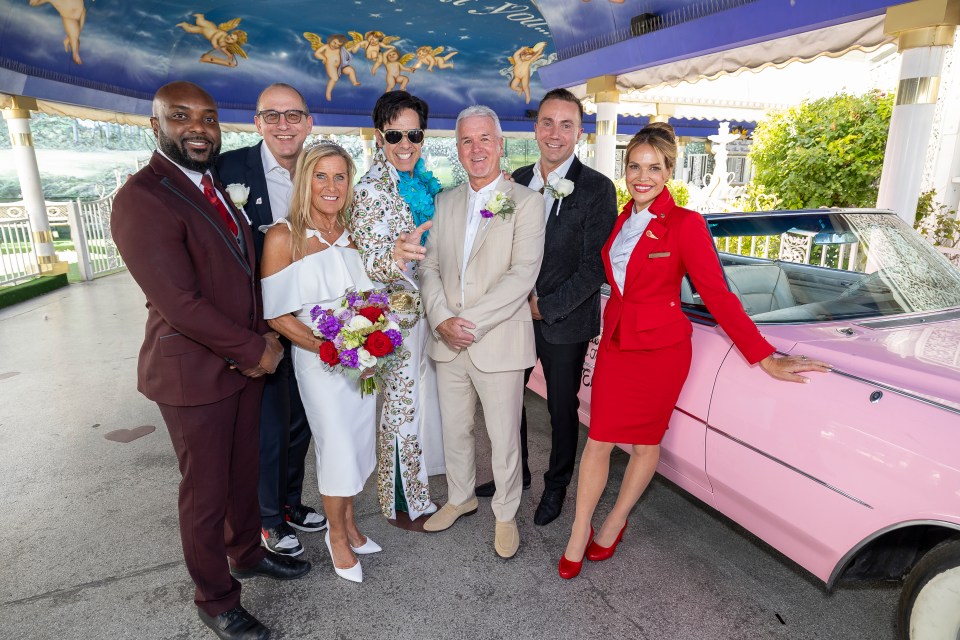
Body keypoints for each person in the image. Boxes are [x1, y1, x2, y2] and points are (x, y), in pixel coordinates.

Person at [557, 123, 831, 580]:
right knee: (599, 441)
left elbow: (718, 295)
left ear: (669, 171)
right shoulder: (622, 220)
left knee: (645, 445)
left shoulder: (685, 225)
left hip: (662, 353)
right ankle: (578, 530)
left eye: (654, 168)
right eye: (635, 166)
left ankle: (615, 520)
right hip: (618, 345)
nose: (643, 176)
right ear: (625, 169)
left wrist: (763, 355)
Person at [111, 81, 310, 640]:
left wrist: (260, 344)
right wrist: (258, 349)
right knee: (205, 495)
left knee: (243, 475)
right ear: (156, 126)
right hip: (194, 375)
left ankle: (246, 552)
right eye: (181, 117)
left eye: (208, 118)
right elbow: (179, 303)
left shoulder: (212, 186)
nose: (198, 127)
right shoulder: (142, 198)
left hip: (243, 368)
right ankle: (216, 598)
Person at [475, 89, 617, 527]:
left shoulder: (597, 188)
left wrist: (546, 307)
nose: (556, 134)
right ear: (536, 129)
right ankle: (514, 478)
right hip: (513, 315)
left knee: (561, 408)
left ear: (579, 132)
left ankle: (556, 486)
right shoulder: (514, 179)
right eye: (548, 123)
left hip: (564, 319)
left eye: (567, 125)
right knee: (507, 400)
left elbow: (596, 266)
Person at [419, 105, 545, 558]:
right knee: (455, 429)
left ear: (501, 144)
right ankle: (460, 496)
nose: (476, 149)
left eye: (484, 139)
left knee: (504, 436)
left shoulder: (526, 201)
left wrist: (466, 324)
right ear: (457, 149)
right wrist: (440, 321)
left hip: (497, 341)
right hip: (446, 340)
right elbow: (430, 267)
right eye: (467, 141)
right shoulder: (445, 201)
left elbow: (522, 274)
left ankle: (506, 513)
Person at [259, 141, 381, 584]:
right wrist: (328, 348)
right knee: (338, 450)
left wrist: (369, 346)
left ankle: (349, 522)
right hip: (319, 363)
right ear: (304, 180)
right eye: (321, 176)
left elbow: (369, 300)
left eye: (340, 176)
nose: (332, 186)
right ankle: (336, 537)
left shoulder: (352, 233)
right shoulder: (283, 236)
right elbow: (275, 313)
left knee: (358, 442)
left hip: (360, 362)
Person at [217, 83, 328, 559]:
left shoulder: (320, 170)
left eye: (293, 115)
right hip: (256, 324)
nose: (284, 124)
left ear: (309, 122)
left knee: (300, 421)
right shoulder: (227, 170)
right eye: (272, 115)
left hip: (309, 319)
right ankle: (265, 519)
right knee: (266, 426)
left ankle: (288, 502)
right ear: (256, 122)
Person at [351, 91, 444, 523]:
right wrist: (398, 254)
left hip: (426, 311)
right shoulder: (370, 190)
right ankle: (404, 501)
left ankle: (414, 486)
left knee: (417, 405)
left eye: (414, 134)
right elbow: (369, 259)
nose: (405, 144)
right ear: (378, 137)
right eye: (395, 135)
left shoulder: (424, 183)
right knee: (401, 408)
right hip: (396, 317)